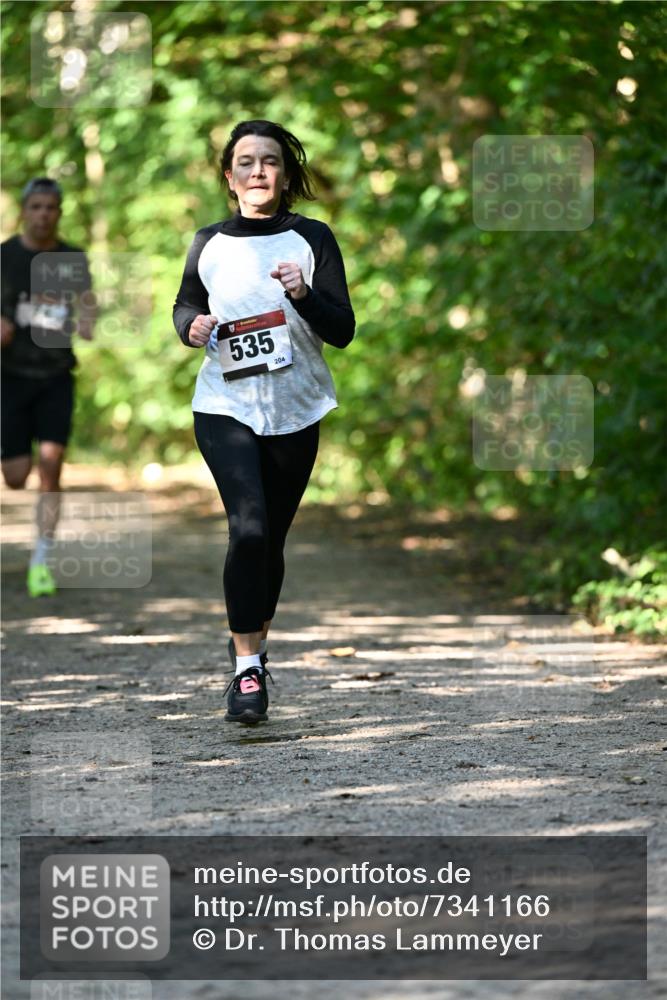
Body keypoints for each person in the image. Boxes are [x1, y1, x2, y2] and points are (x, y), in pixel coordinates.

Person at [173, 120, 355, 724]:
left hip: (296, 408)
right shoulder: (209, 242)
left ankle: (253, 639)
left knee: (270, 541)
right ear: (229, 177)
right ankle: (246, 671)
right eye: (245, 162)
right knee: (247, 529)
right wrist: (189, 328)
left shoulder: (312, 239)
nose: (258, 171)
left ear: (285, 174)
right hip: (223, 405)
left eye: (269, 161)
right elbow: (186, 305)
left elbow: (344, 330)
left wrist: (304, 294)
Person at [1, 178, 95, 596]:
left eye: (50, 207)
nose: (43, 214)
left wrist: (86, 321)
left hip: (57, 375)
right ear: (25, 211)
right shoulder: (4, 257)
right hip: (10, 377)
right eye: (35, 206)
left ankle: (42, 560)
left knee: (52, 463)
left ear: (59, 212)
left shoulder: (72, 257)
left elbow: (87, 306)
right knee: (17, 477)